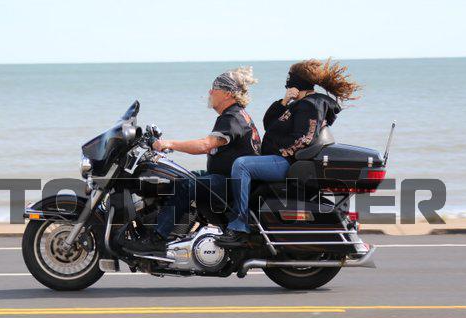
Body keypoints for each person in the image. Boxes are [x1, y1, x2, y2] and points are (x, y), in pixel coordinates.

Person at [218, 59, 361, 244]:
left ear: (298, 83)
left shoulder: (310, 106)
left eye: (290, 79)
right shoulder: (300, 104)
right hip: (283, 158)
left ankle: (238, 226)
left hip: (287, 162)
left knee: (242, 165)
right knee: (242, 162)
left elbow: (304, 139)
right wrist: (284, 101)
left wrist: (279, 151)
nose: (287, 83)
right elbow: (269, 123)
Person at [123, 66, 261, 254]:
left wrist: (168, 143)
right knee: (178, 177)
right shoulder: (236, 115)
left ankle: (157, 238)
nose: (210, 92)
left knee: (185, 185)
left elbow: (205, 145)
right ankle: (178, 230)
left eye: (214, 88)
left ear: (228, 94)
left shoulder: (232, 117)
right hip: (225, 177)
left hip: (229, 182)